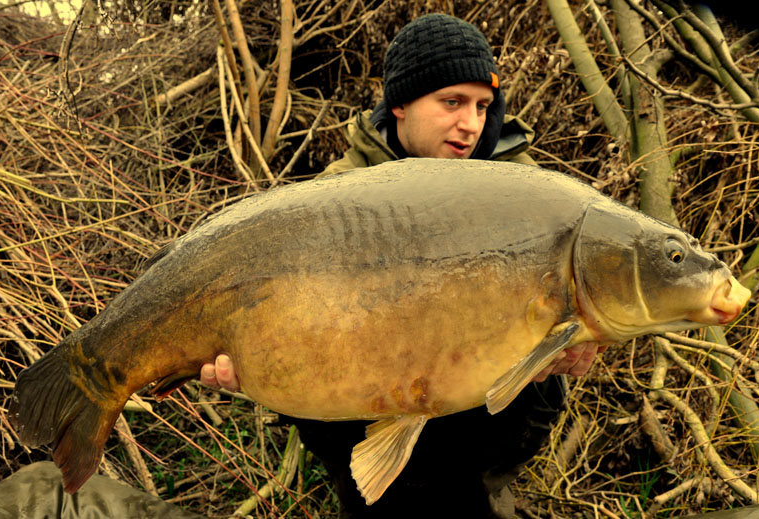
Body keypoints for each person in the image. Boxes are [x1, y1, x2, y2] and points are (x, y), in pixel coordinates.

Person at [202, 13, 605, 519]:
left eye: (483, 106)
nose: (471, 123)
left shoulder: (522, 193)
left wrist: (567, 348)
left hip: (482, 421)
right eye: (452, 102)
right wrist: (257, 358)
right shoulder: (336, 192)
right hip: (357, 402)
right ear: (399, 104)